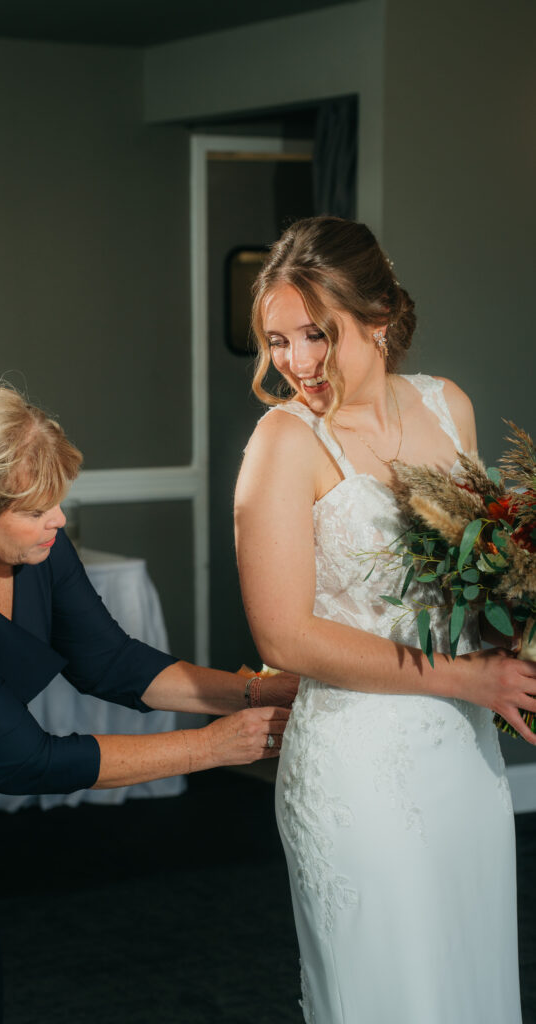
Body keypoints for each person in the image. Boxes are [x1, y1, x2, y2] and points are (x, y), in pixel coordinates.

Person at [0, 384, 297, 1024]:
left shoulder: (32, 542)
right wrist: (213, 746)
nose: (58, 522)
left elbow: (109, 660)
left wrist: (254, 689)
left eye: (57, 501)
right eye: (36, 511)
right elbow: (25, 763)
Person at [234, 216, 536, 1024]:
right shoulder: (283, 443)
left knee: (465, 977)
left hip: (462, 754)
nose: (296, 363)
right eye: (277, 340)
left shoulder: (447, 407)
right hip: (357, 765)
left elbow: (474, 581)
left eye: (315, 335)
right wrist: (467, 674)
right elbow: (283, 637)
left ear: (379, 317)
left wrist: (514, 625)